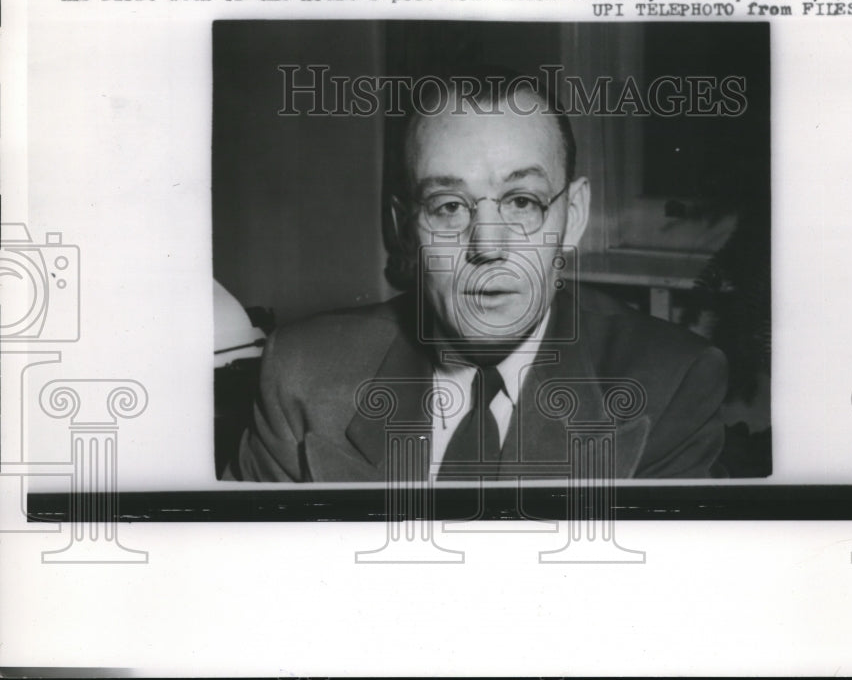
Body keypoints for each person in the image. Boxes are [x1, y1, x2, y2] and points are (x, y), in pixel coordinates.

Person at [227, 73, 728, 482]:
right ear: (404, 230)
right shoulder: (300, 375)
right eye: (448, 207)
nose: (488, 247)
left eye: (522, 201)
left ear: (573, 216)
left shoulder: (670, 382)